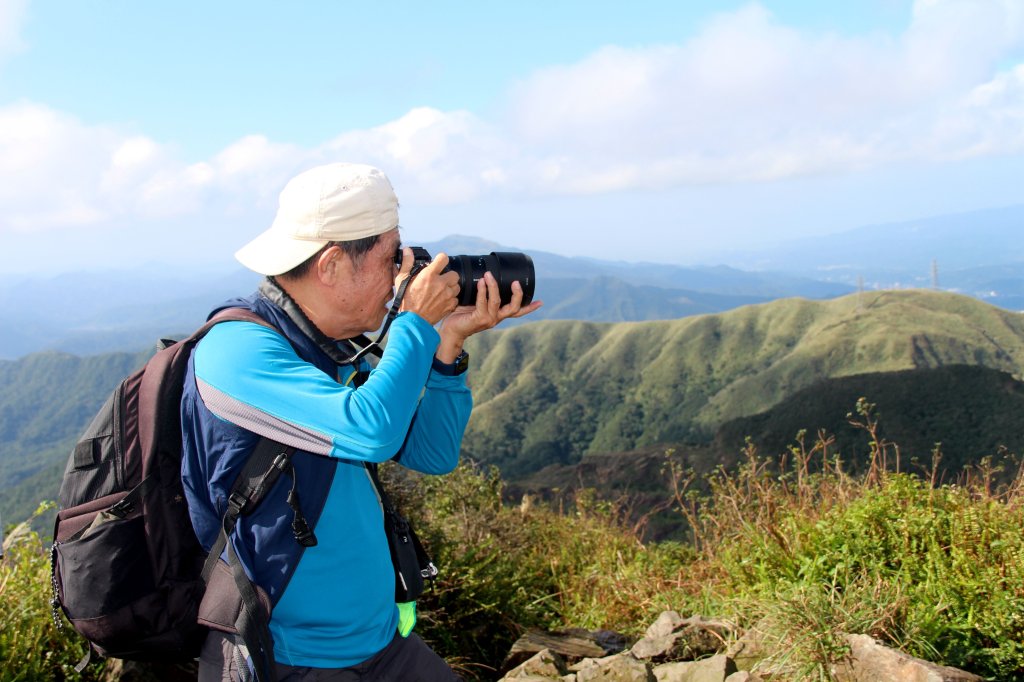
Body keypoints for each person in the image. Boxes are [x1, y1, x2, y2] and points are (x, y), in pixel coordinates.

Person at [180, 162, 542, 681]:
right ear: (331, 265)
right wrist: (414, 321)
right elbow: (370, 431)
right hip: (289, 660)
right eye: (391, 256)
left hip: (381, 646)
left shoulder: (330, 348)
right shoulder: (237, 352)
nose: (403, 272)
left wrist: (449, 346)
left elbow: (430, 455)